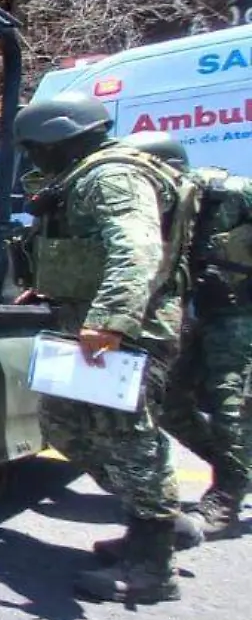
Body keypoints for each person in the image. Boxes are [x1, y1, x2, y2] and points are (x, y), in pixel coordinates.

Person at [13, 93, 196, 604]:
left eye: (33, 147)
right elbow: (87, 251)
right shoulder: (87, 175)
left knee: (127, 437)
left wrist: (110, 320)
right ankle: (155, 518)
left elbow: (136, 250)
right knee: (63, 424)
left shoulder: (109, 176)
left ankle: (152, 565)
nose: (32, 158)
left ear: (56, 138)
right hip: (87, 324)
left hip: (122, 331)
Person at [121, 130, 252, 539]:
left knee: (231, 406)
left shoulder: (228, 193)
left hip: (241, 315)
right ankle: (237, 469)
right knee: (170, 403)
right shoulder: (150, 208)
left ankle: (228, 495)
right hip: (193, 316)